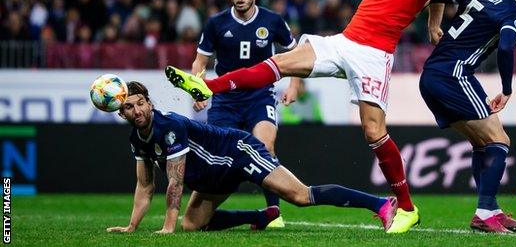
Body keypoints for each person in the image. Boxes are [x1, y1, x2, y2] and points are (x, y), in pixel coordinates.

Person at [164, 0, 470, 233]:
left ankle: (407, 208)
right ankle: (209, 85)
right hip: (344, 41)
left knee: (373, 131)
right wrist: (434, 22)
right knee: (281, 63)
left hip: (373, 55)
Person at [106, 81, 398, 234]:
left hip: (237, 152)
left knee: (299, 195)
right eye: (130, 108)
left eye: (141, 103)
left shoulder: (168, 125)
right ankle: (262, 216)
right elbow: (145, 187)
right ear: (121, 113)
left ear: (149, 102)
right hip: (214, 173)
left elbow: (175, 181)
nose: (138, 111)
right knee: (192, 224)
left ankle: (381, 204)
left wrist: (166, 227)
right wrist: (132, 226)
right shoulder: (138, 139)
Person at [420, 0, 516, 233]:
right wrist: (507, 89)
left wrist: (432, 26)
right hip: (455, 75)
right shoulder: (513, 14)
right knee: (499, 140)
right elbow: (507, 48)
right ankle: (485, 212)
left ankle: (492, 210)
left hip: (431, 76)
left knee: (482, 142)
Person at [190, 0, 296, 228]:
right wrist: (197, 88)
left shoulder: (272, 21)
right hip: (225, 100)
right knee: (219, 158)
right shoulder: (216, 23)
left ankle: (274, 212)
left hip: (260, 97)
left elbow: (295, 54)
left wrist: (294, 85)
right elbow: (200, 61)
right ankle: (204, 214)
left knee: (265, 147)